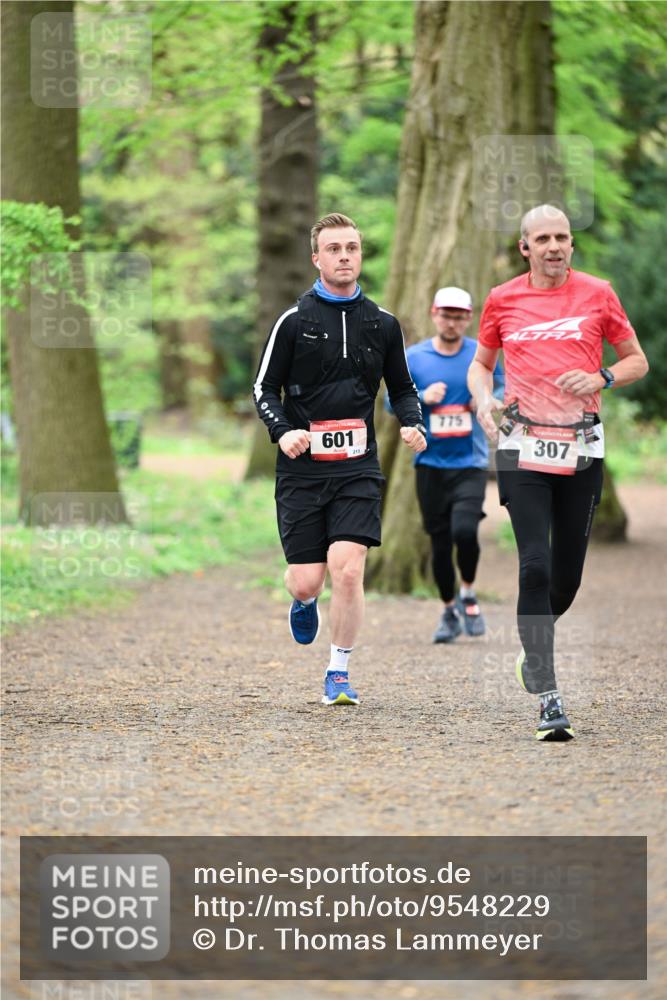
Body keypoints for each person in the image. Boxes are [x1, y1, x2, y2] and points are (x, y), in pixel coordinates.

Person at [468, 204, 648, 741]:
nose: (554, 246)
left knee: (565, 582)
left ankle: (532, 646)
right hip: (521, 446)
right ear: (524, 246)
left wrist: (602, 377)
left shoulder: (598, 293)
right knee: (535, 566)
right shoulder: (503, 298)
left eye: (562, 237)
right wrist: (483, 399)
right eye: (542, 238)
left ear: (572, 243)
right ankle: (549, 694)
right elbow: (481, 363)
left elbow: (636, 359)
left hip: (582, 448)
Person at [253, 213, 426, 706]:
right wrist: (283, 432)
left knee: (348, 568)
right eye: (334, 249)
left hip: (357, 466)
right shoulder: (293, 321)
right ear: (317, 258)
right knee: (308, 579)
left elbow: (403, 388)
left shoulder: (383, 323)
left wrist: (412, 421)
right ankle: (302, 599)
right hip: (302, 469)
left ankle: (339, 671)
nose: (344, 256)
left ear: (361, 255)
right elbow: (264, 388)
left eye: (352, 247)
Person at [386, 286, 504, 643]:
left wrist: (482, 399)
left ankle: (468, 592)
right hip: (430, 462)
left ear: (469, 318)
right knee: (439, 542)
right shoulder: (415, 357)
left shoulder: (481, 356)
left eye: (459, 316)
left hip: (470, 462)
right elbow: (393, 403)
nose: (451, 322)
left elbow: (503, 388)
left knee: (465, 532)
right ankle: (449, 609)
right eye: (446, 314)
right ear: (433, 314)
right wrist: (422, 397)